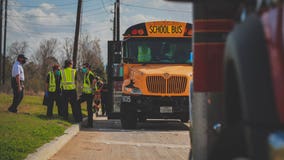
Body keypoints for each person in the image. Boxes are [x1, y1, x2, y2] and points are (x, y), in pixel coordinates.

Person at [78, 63, 95, 127]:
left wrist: (92, 89)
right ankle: (80, 118)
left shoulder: (90, 74)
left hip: (89, 94)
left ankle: (90, 124)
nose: (83, 69)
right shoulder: (86, 74)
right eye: (83, 67)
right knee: (78, 103)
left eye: (85, 67)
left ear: (88, 68)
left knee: (89, 109)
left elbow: (93, 82)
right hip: (85, 94)